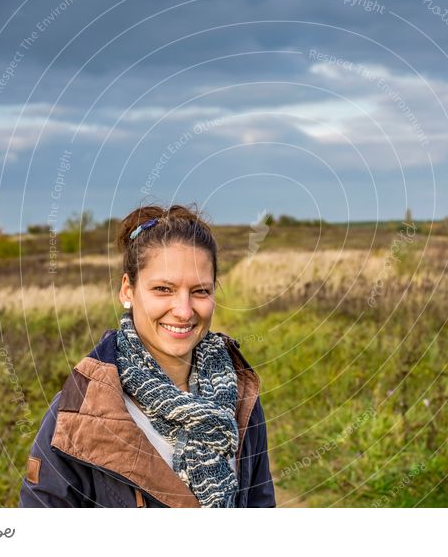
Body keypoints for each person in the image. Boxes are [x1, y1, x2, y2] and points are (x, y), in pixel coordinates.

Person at [19, 204, 276, 508]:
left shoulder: (238, 394)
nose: (183, 311)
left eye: (200, 291)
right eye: (163, 289)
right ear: (127, 290)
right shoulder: (80, 412)